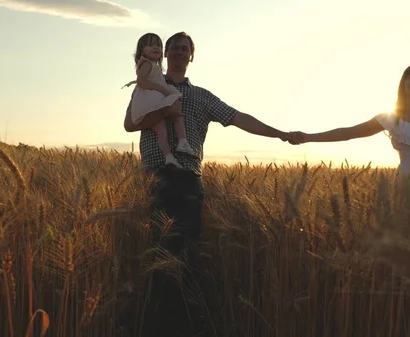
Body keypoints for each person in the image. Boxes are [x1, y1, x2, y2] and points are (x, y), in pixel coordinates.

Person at [123, 31, 291, 337]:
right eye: (173, 46)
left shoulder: (202, 96)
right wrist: (166, 110)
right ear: (164, 53)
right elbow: (129, 123)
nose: (178, 51)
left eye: (184, 48)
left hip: (188, 182)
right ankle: (157, 325)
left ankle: (181, 325)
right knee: (158, 257)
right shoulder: (148, 84)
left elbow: (238, 117)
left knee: (188, 258)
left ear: (191, 56)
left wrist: (278, 132)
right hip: (155, 178)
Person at [288, 63, 410, 177]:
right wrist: (307, 137)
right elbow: (349, 132)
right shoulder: (390, 118)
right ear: (403, 83)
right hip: (408, 180)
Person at [122, 33, 195, 168]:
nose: (155, 48)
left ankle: (169, 156)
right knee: (176, 111)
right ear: (141, 50)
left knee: (162, 130)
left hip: (151, 100)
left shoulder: (152, 67)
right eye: (151, 45)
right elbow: (141, 81)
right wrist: (161, 90)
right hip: (151, 100)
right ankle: (182, 142)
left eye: (158, 46)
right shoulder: (147, 64)